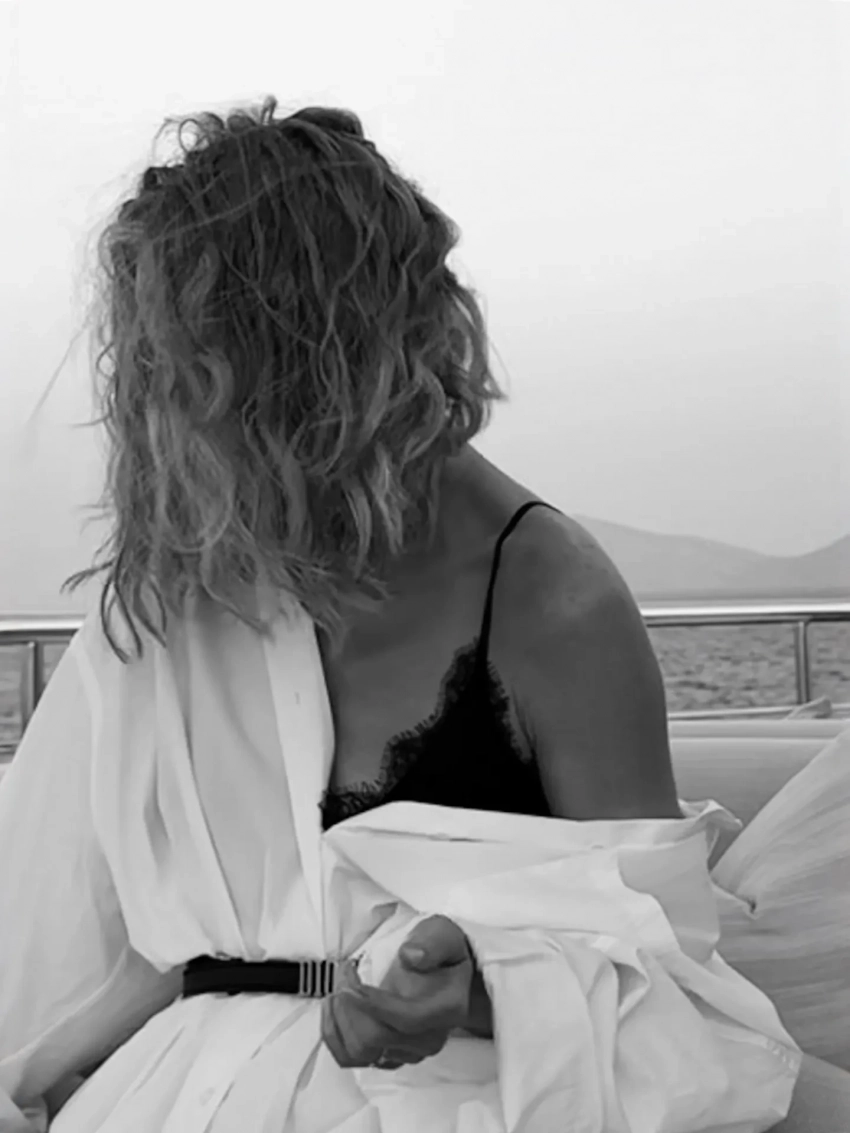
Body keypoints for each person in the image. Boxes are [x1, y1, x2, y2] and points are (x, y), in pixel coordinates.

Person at [0, 97, 804, 1131]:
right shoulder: (177, 597)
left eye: (195, 375)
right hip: (170, 1095)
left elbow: (668, 977)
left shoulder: (551, 597)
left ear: (310, 366)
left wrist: (477, 983)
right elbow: (67, 946)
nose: (169, 418)